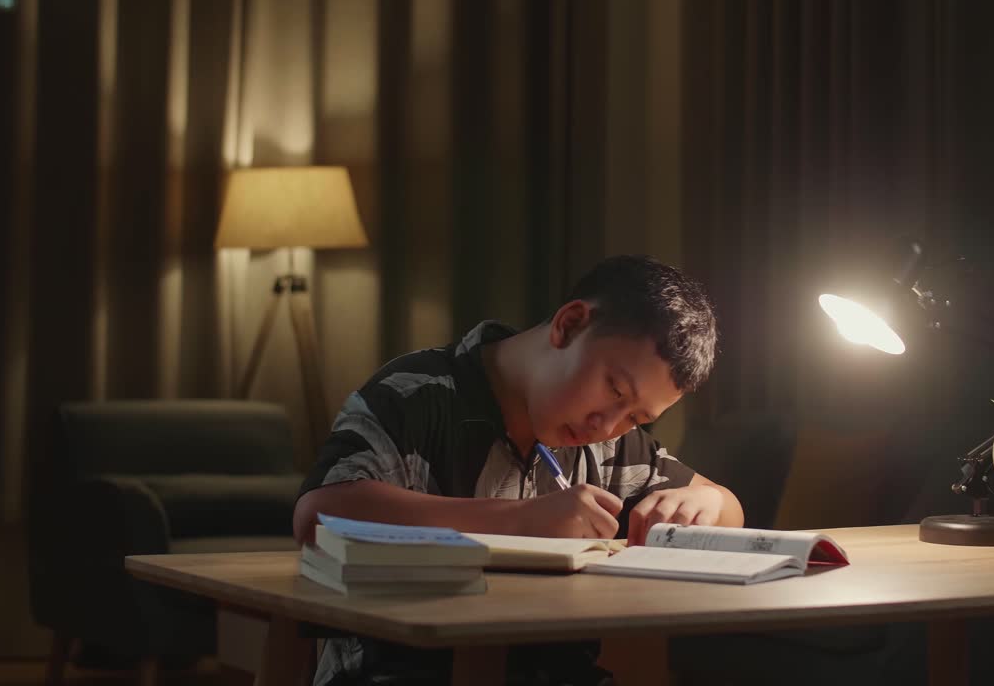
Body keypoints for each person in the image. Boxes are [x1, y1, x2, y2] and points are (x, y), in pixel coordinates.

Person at [293, 254, 744, 686]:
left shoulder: (611, 445)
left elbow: (725, 507)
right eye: (613, 388)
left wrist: (707, 502)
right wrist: (517, 521)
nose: (606, 425)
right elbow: (317, 518)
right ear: (569, 325)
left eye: (636, 418)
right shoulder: (417, 395)